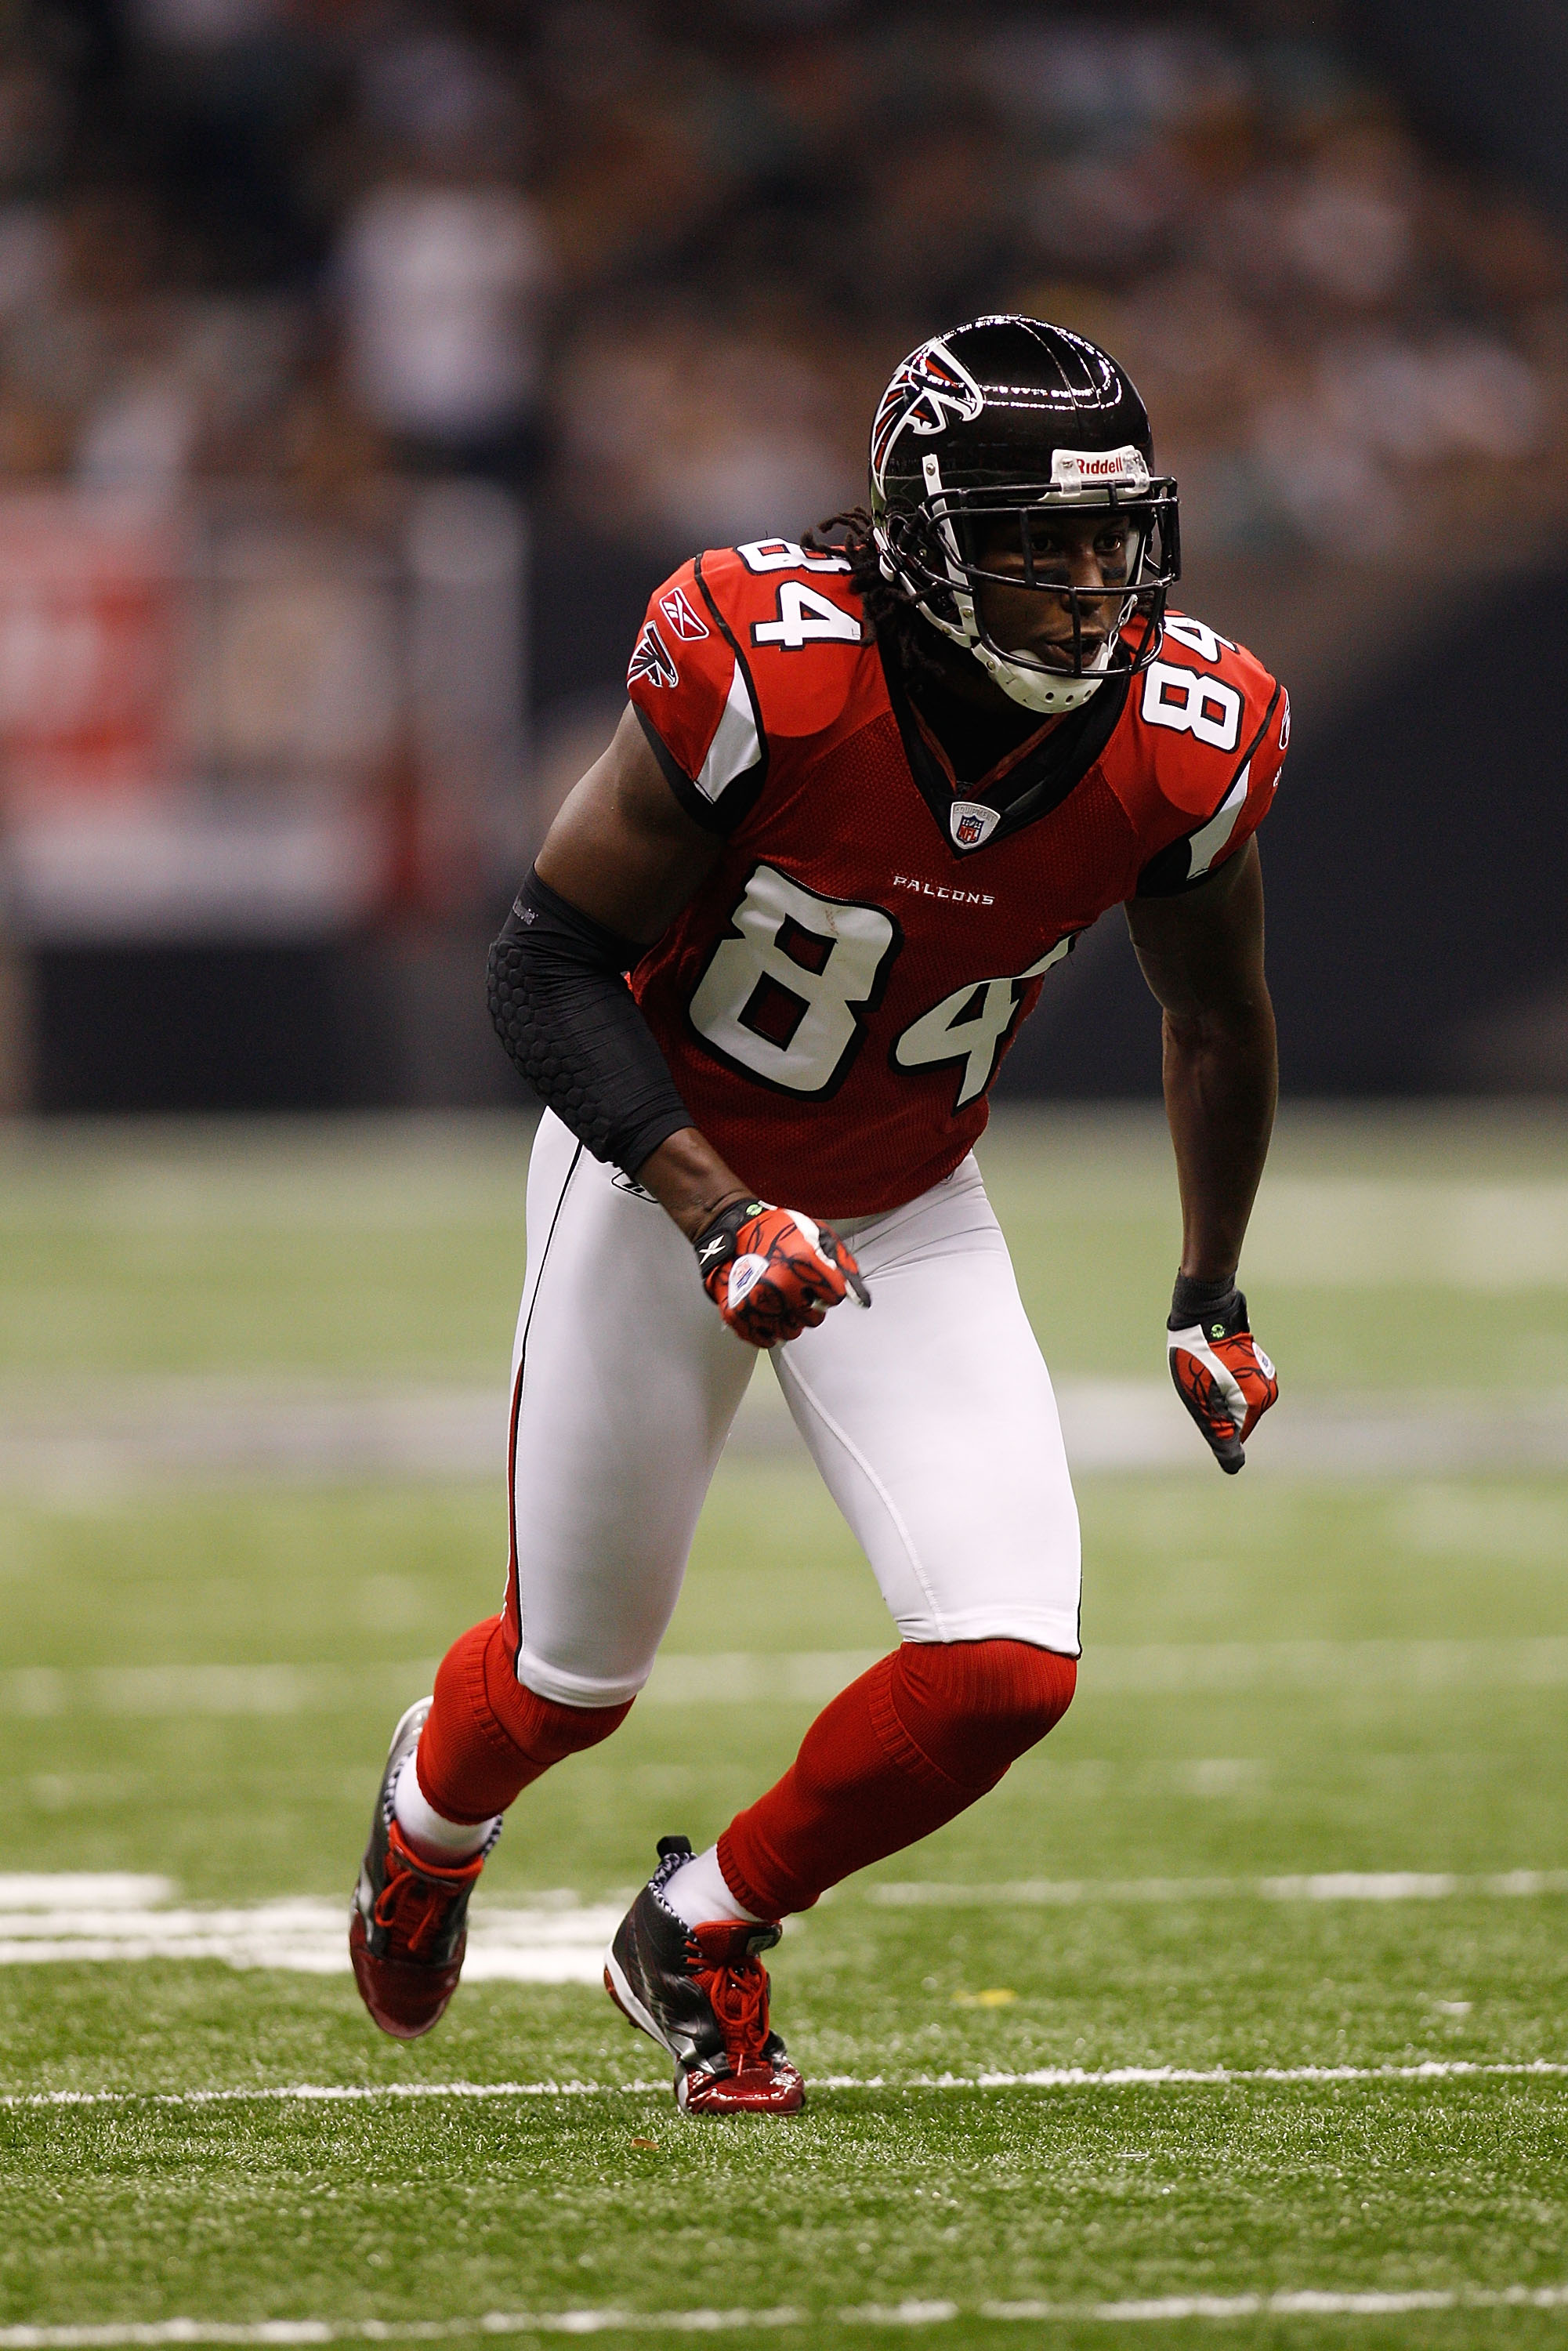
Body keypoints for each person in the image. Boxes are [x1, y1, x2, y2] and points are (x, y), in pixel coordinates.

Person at [348, 315, 1284, 2114]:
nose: (1086, 590)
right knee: (565, 1680)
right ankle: (429, 1816)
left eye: (1110, 542)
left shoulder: (1189, 730)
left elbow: (1215, 1015)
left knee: (1004, 1666)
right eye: (1036, 544)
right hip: (658, 1175)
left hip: (906, 1202)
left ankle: (695, 1930)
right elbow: (546, 968)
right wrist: (711, 1213)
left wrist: (1206, 1290)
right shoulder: (764, 656)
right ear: (925, 535)